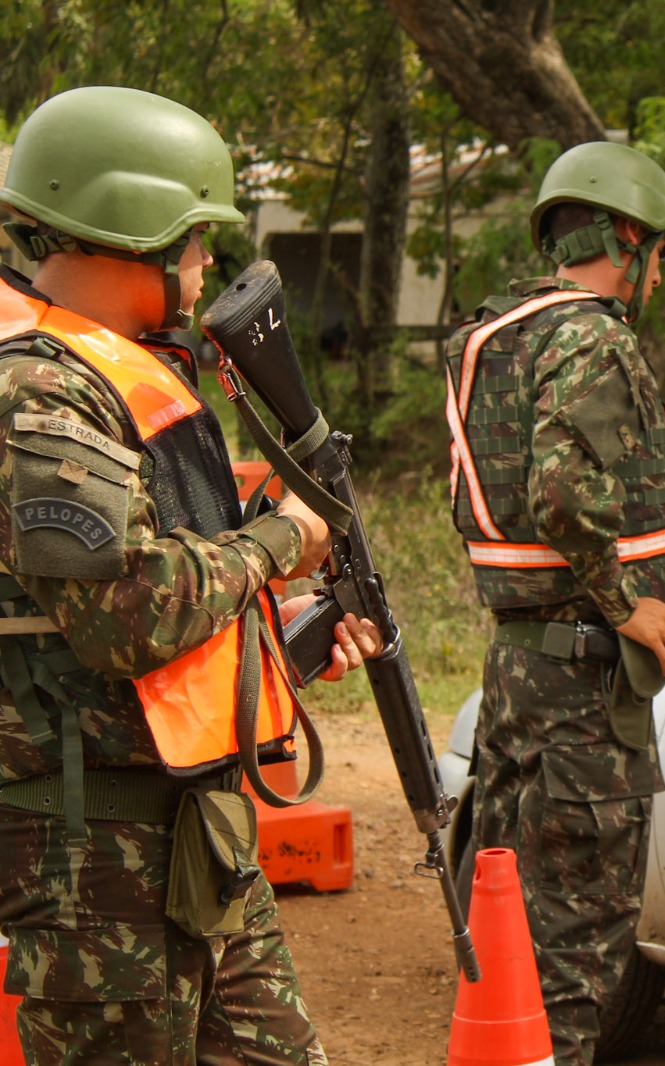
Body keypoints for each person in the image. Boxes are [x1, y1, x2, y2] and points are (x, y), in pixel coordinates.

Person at [0, 86, 377, 1065]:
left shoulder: (118, 372)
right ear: (134, 230)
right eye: (196, 241)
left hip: (191, 834)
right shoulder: (38, 390)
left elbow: (166, 596)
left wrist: (282, 631)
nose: (207, 265)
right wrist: (279, 543)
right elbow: (126, 613)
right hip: (94, 861)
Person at [443, 140, 665, 1066]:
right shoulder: (591, 335)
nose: (658, 277)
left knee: (507, 939)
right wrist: (624, 602)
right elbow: (559, 491)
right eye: (658, 252)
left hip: (518, 667)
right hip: (584, 689)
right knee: (575, 955)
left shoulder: (498, 333)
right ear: (626, 236)